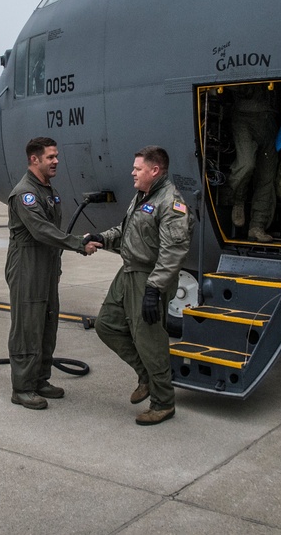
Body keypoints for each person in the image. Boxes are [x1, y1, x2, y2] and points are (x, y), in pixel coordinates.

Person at [88, 146, 193, 425]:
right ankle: (145, 375)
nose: (132, 172)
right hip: (128, 272)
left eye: (138, 168)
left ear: (155, 170)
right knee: (106, 325)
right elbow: (125, 230)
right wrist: (103, 237)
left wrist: (154, 288)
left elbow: (174, 251)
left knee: (150, 342)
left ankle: (163, 403)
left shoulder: (170, 203)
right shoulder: (143, 196)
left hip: (150, 277)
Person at [5, 136, 98, 410]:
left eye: (56, 156)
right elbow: (41, 230)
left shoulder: (49, 190)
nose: (56, 161)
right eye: (51, 157)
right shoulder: (25, 193)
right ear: (35, 159)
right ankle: (21, 388)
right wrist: (79, 243)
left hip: (46, 267)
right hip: (27, 267)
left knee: (47, 324)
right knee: (27, 328)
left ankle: (40, 380)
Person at [227, 84, 279, 242]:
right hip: (244, 117)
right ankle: (238, 201)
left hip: (270, 120)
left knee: (267, 176)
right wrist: (249, 89)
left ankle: (257, 226)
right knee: (246, 164)